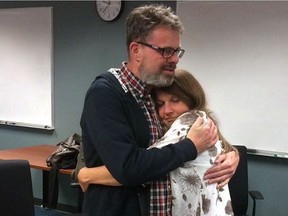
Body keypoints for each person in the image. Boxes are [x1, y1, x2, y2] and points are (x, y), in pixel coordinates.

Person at [80, 4, 238, 216]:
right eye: (166, 51)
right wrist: (190, 146)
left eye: (176, 51)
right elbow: (128, 167)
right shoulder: (106, 93)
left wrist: (230, 155)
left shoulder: (154, 91)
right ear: (136, 50)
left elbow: (183, 138)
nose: (174, 59)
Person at [79, 68, 236, 215]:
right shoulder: (204, 122)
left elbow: (140, 168)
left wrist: (87, 174)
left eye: (175, 100)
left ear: (192, 100)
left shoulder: (188, 123)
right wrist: (234, 154)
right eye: (160, 104)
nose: (167, 111)